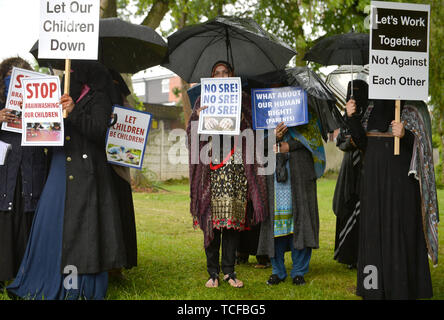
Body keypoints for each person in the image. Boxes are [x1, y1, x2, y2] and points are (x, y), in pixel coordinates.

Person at [7, 61, 127, 300]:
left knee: (84, 229)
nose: (69, 74)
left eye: (74, 71)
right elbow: (45, 137)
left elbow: (97, 132)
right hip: (59, 167)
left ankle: (78, 287)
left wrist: (74, 111)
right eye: (68, 71)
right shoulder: (58, 94)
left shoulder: (99, 97)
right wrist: (33, 115)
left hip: (88, 174)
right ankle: (41, 278)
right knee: (51, 222)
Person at [345, 96, 439, 300]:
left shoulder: (415, 108)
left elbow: (423, 147)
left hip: (402, 185)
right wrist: (351, 117)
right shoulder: (369, 107)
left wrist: (405, 135)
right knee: (373, 231)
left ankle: (402, 289)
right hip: (373, 182)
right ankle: (373, 288)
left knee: (400, 230)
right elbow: (361, 142)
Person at [186, 61, 268, 288]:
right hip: (209, 166)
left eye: (225, 72)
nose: (221, 76)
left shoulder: (242, 99)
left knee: (232, 222)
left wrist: (239, 116)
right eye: (217, 73)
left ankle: (229, 272)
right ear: (211, 78)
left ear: (232, 75)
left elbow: (253, 131)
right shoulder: (203, 100)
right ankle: (212, 272)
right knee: (212, 221)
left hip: (236, 166)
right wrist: (197, 117)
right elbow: (190, 138)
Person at [257, 110, 324, 285]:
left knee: (300, 219)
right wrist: (273, 136)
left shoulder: (305, 107)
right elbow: (255, 145)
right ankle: (277, 271)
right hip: (273, 178)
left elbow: (314, 140)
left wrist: (290, 145)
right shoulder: (263, 108)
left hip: (300, 173)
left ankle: (299, 271)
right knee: (276, 222)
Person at [0, 57, 47, 289]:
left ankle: (26, 274)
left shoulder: (41, 101)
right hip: (5, 171)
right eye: (9, 76)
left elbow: (52, 137)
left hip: (31, 168)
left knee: (28, 218)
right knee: (5, 219)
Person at [332, 80, 368, 268]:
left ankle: (363, 254)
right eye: (351, 91)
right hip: (349, 170)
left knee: (363, 211)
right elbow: (340, 141)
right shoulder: (346, 115)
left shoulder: (370, 113)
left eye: (359, 91)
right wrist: (350, 142)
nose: (354, 95)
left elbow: (367, 139)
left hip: (366, 167)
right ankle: (348, 256)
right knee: (347, 207)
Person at [107, 69, 138, 278]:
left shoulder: (115, 79)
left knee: (120, 213)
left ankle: (118, 265)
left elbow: (132, 120)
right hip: (95, 164)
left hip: (118, 166)